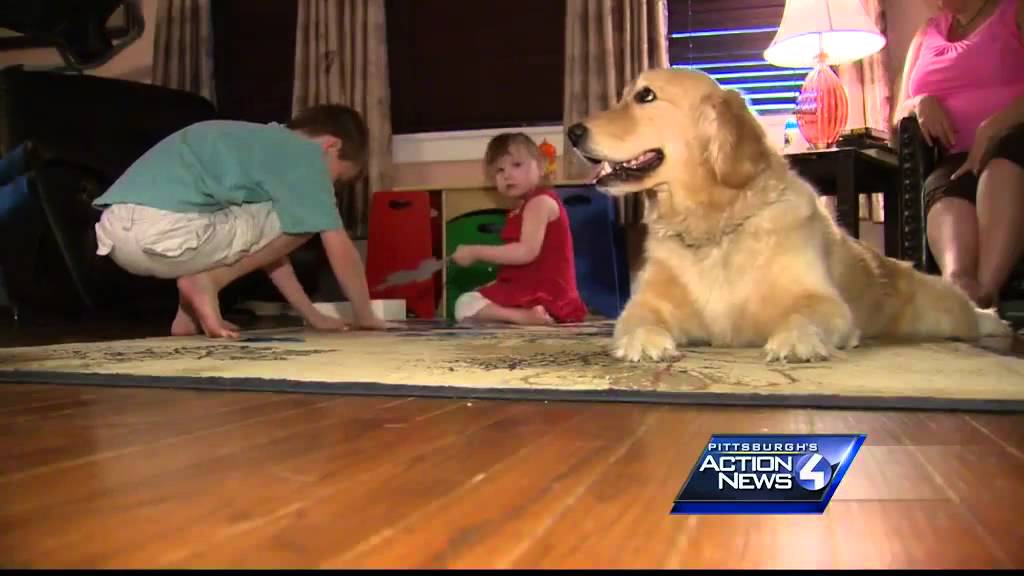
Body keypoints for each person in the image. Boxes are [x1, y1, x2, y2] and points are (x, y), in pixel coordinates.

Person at [92, 105, 389, 338]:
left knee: (281, 217)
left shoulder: (256, 145)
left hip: (116, 232)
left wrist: (311, 314)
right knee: (307, 218)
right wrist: (365, 314)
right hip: (164, 229)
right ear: (331, 146)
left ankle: (186, 315)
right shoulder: (304, 155)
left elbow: (268, 251)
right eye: (336, 178)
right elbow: (337, 246)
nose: (330, 187)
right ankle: (207, 282)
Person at [893, 0, 1024, 309]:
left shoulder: (1015, 12)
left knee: (1000, 165)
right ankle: (960, 290)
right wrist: (920, 102)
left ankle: (985, 296)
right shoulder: (926, 34)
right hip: (956, 160)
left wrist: (993, 127)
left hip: (1014, 143)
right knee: (945, 190)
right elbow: (899, 111)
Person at [450, 132, 587, 325]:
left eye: (516, 165)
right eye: (499, 170)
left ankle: (524, 317)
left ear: (540, 167)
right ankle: (527, 317)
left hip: (546, 294)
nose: (507, 175)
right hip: (533, 289)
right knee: (475, 299)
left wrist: (475, 252)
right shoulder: (522, 208)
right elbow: (521, 264)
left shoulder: (539, 203)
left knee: (464, 304)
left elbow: (526, 252)